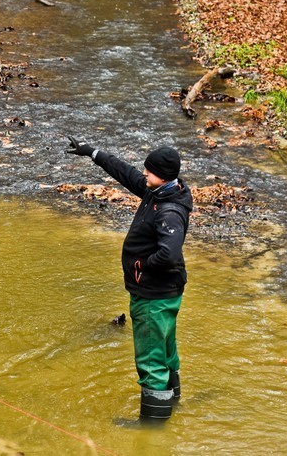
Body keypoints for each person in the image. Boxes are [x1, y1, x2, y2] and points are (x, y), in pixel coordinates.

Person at [65, 136, 193, 421]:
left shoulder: (169, 211)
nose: (144, 174)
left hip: (153, 296)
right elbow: (128, 174)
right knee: (166, 349)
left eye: (150, 170)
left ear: (164, 175)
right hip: (166, 294)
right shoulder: (160, 191)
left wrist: (141, 265)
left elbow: (169, 255)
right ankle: (172, 405)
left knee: (150, 358)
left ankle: (151, 428)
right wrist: (93, 153)